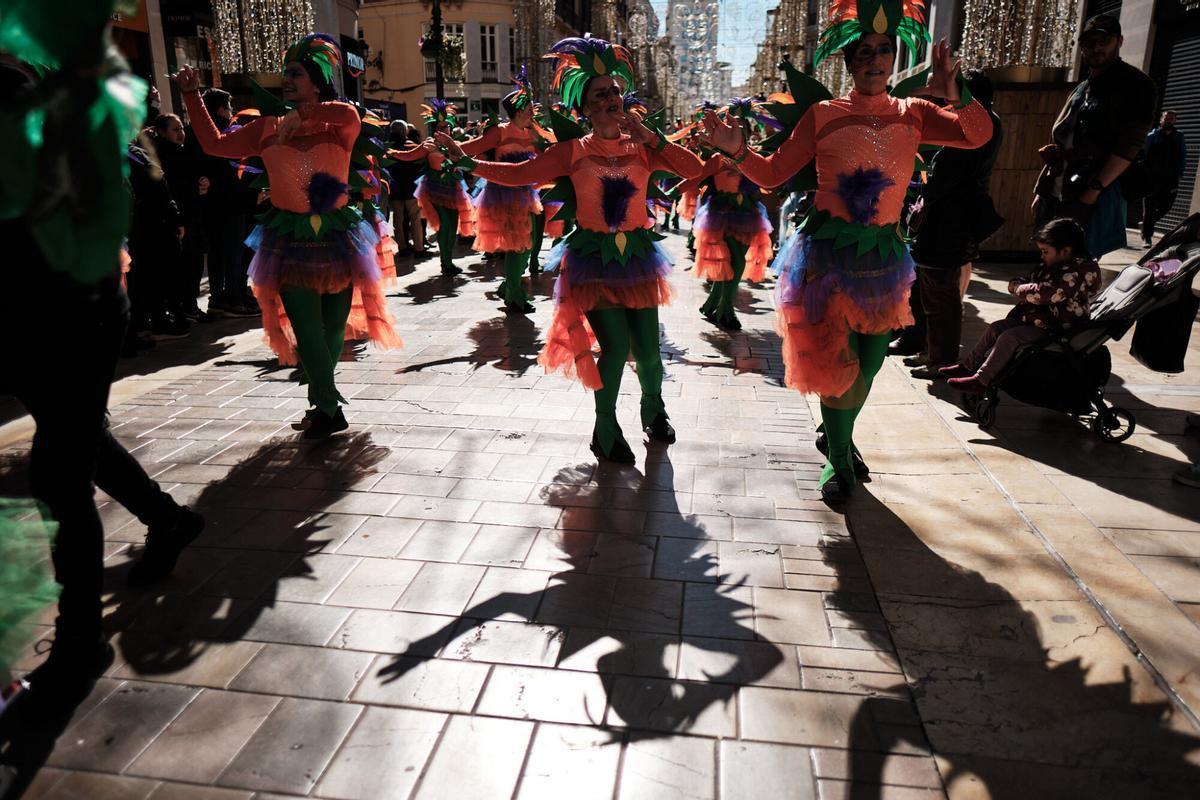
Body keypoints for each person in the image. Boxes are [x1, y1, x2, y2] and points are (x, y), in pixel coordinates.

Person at [701, 0, 993, 500]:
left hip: (882, 259)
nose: (875, 59)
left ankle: (836, 434)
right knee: (839, 367)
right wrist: (735, 151)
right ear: (849, 62)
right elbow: (772, 175)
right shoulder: (824, 114)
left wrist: (957, 93)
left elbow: (978, 135)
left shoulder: (916, 112)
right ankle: (837, 460)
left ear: (894, 56)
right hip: (828, 258)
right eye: (864, 52)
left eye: (884, 49)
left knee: (872, 363)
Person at [0, 1, 204, 695]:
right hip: (31, 307)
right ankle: (168, 519)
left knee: (58, 474)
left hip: (71, 308)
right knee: (73, 440)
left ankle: (82, 642)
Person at [437, 36, 704, 463]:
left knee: (649, 353)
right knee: (615, 349)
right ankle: (605, 429)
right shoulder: (573, 151)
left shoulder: (642, 147)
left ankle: (653, 407)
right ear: (585, 106)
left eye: (616, 90)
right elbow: (519, 173)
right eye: (602, 94)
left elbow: (696, 169)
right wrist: (468, 162)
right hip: (593, 261)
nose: (613, 98)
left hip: (636, 258)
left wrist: (651, 137)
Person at [176, 34, 402, 439]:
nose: (287, 79)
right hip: (290, 240)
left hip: (338, 236)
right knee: (309, 329)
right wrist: (193, 96)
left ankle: (319, 404)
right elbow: (214, 144)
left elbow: (348, 113)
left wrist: (302, 114)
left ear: (317, 81)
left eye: (296, 73)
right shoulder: (265, 126)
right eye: (284, 74)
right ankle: (331, 408)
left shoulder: (341, 122)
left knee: (334, 330)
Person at [900, 68, 1004, 376]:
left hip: (950, 222)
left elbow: (951, 176)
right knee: (932, 293)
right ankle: (931, 351)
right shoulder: (980, 123)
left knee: (942, 296)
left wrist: (927, 198)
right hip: (946, 220)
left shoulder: (982, 126)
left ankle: (941, 360)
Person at [1032, 14, 1157, 260]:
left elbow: (1129, 146)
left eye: (1104, 40)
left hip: (1092, 191)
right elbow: (1062, 142)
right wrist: (1042, 189)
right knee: (1051, 262)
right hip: (1060, 189)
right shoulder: (1084, 86)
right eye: (1089, 42)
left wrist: (1094, 190)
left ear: (1119, 41)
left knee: (1076, 266)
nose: (1096, 47)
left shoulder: (1136, 84)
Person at [944, 218, 1101, 393]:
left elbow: (1044, 293)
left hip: (1058, 326)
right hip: (1040, 319)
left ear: (1065, 251)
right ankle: (968, 366)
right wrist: (1020, 284)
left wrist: (1019, 288)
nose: (1042, 256)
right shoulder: (1055, 265)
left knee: (1010, 337)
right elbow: (1033, 282)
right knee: (996, 328)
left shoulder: (1074, 275)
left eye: (1045, 251)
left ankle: (982, 380)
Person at [456, 67, 543, 313]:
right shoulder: (501, 131)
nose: (532, 110)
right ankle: (514, 295)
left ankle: (509, 285)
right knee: (519, 245)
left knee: (529, 244)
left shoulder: (532, 133)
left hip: (526, 194)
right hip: (503, 195)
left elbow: (547, 156)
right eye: (529, 106)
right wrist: (451, 147)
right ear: (517, 110)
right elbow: (474, 146)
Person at [685, 100, 774, 331]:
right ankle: (726, 311)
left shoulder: (752, 156)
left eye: (742, 130)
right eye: (736, 129)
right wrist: (667, 192)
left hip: (748, 214)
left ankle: (712, 304)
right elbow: (695, 176)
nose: (739, 134)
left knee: (735, 263)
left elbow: (767, 180)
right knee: (733, 262)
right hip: (721, 214)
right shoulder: (717, 159)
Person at [189, 88, 258, 316]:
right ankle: (233, 297)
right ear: (220, 109)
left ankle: (220, 297)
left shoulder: (194, 132)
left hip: (211, 204)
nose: (231, 111)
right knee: (233, 252)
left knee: (218, 252)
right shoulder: (228, 132)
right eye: (229, 106)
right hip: (232, 201)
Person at [405, 100, 477, 275]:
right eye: (441, 126)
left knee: (452, 226)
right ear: (434, 128)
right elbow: (412, 156)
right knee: (445, 225)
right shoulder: (430, 144)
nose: (445, 129)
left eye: (447, 126)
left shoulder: (452, 144)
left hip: (453, 188)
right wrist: (391, 153)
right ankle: (445, 263)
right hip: (436, 189)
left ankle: (448, 261)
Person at [150, 112, 208, 323]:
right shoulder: (161, 156)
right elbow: (173, 186)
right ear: (162, 132)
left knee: (194, 263)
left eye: (181, 128)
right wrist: (194, 188)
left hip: (193, 214)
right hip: (178, 216)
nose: (181, 133)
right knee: (182, 265)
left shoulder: (184, 152)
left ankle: (191, 304)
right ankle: (181, 306)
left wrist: (202, 182)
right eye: (175, 130)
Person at [1141, 111, 1188, 246]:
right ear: (1161, 119)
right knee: (1149, 208)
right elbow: (1143, 154)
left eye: (1171, 119)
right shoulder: (1152, 136)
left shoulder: (1179, 136)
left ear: (1175, 121)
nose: (1169, 120)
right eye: (1166, 118)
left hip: (1170, 178)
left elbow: (1182, 155)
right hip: (1152, 178)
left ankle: (1146, 224)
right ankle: (1147, 237)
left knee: (1167, 206)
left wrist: (1180, 172)